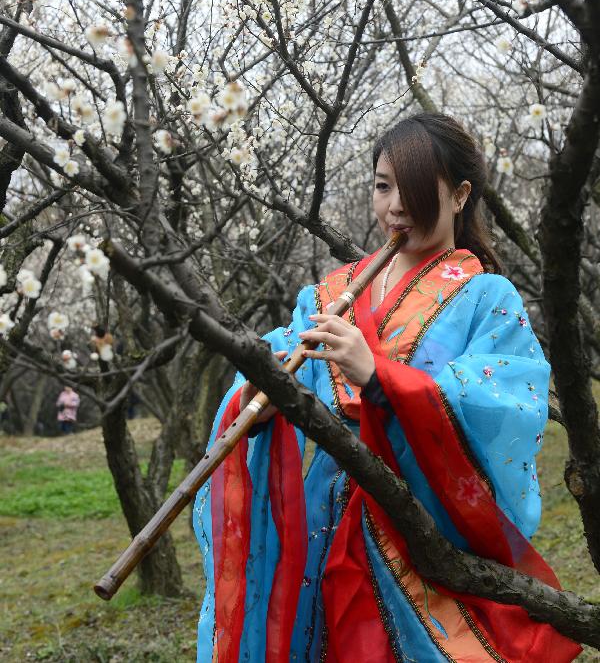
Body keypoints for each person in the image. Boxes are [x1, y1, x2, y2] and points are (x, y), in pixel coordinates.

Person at [193, 113, 581, 662]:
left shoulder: (487, 296)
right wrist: (258, 399)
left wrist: (380, 378)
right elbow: (271, 376)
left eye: (415, 188)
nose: (395, 205)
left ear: (461, 194)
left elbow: (502, 406)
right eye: (382, 186)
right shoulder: (329, 295)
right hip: (324, 513)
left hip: (421, 521)